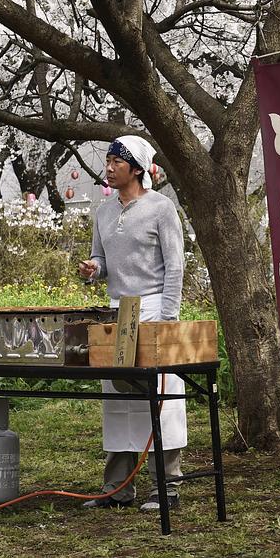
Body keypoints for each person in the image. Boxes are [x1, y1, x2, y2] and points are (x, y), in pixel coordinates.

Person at [77, 135, 186, 512]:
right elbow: (100, 257)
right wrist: (93, 269)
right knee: (117, 401)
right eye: (107, 162)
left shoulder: (161, 208)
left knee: (161, 402)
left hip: (154, 309)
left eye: (115, 163)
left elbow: (175, 265)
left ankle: (166, 487)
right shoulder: (103, 211)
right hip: (115, 313)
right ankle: (117, 488)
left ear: (136, 169)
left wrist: (168, 318)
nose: (107, 168)